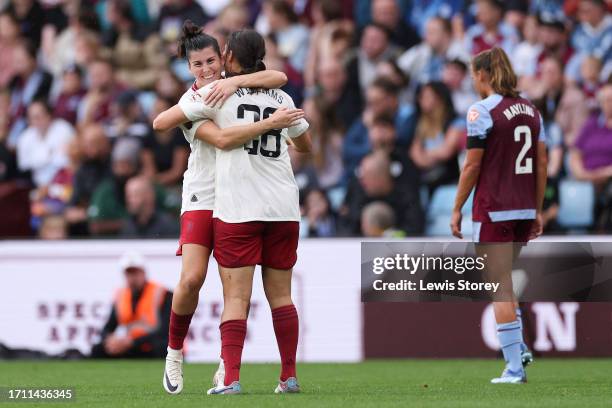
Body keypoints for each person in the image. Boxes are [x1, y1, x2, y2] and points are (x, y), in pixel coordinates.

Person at [151, 22, 304, 395]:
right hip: (204, 196)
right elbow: (198, 134)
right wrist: (270, 122)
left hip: (239, 198)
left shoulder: (235, 88)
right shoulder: (199, 98)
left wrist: (234, 83)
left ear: (225, 59)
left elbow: (280, 74)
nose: (206, 70)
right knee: (191, 280)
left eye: (211, 61)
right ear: (188, 69)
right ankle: (174, 353)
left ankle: (226, 366)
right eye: (197, 64)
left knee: (233, 290)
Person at [450, 47, 547, 383]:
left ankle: (514, 368)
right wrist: (536, 209)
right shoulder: (532, 111)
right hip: (522, 208)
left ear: (482, 75)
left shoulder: (482, 110)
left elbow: (473, 164)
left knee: (499, 286)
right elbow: (542, 163)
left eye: (474, 75)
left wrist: (457, 206)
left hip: (494, 209)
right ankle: (517, 349)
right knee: (506, 282)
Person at [91, 251, 173, 359]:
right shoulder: (121, 296)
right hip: (131, 344)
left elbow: (164, 331)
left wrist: (132, 342)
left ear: (143, 272)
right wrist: (111, 339)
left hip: (150, 343)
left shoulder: (163, 294)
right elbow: (108, 327)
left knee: (161, 347)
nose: (132, 277)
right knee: (98, 349)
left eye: (136, 272)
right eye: (129, 273)